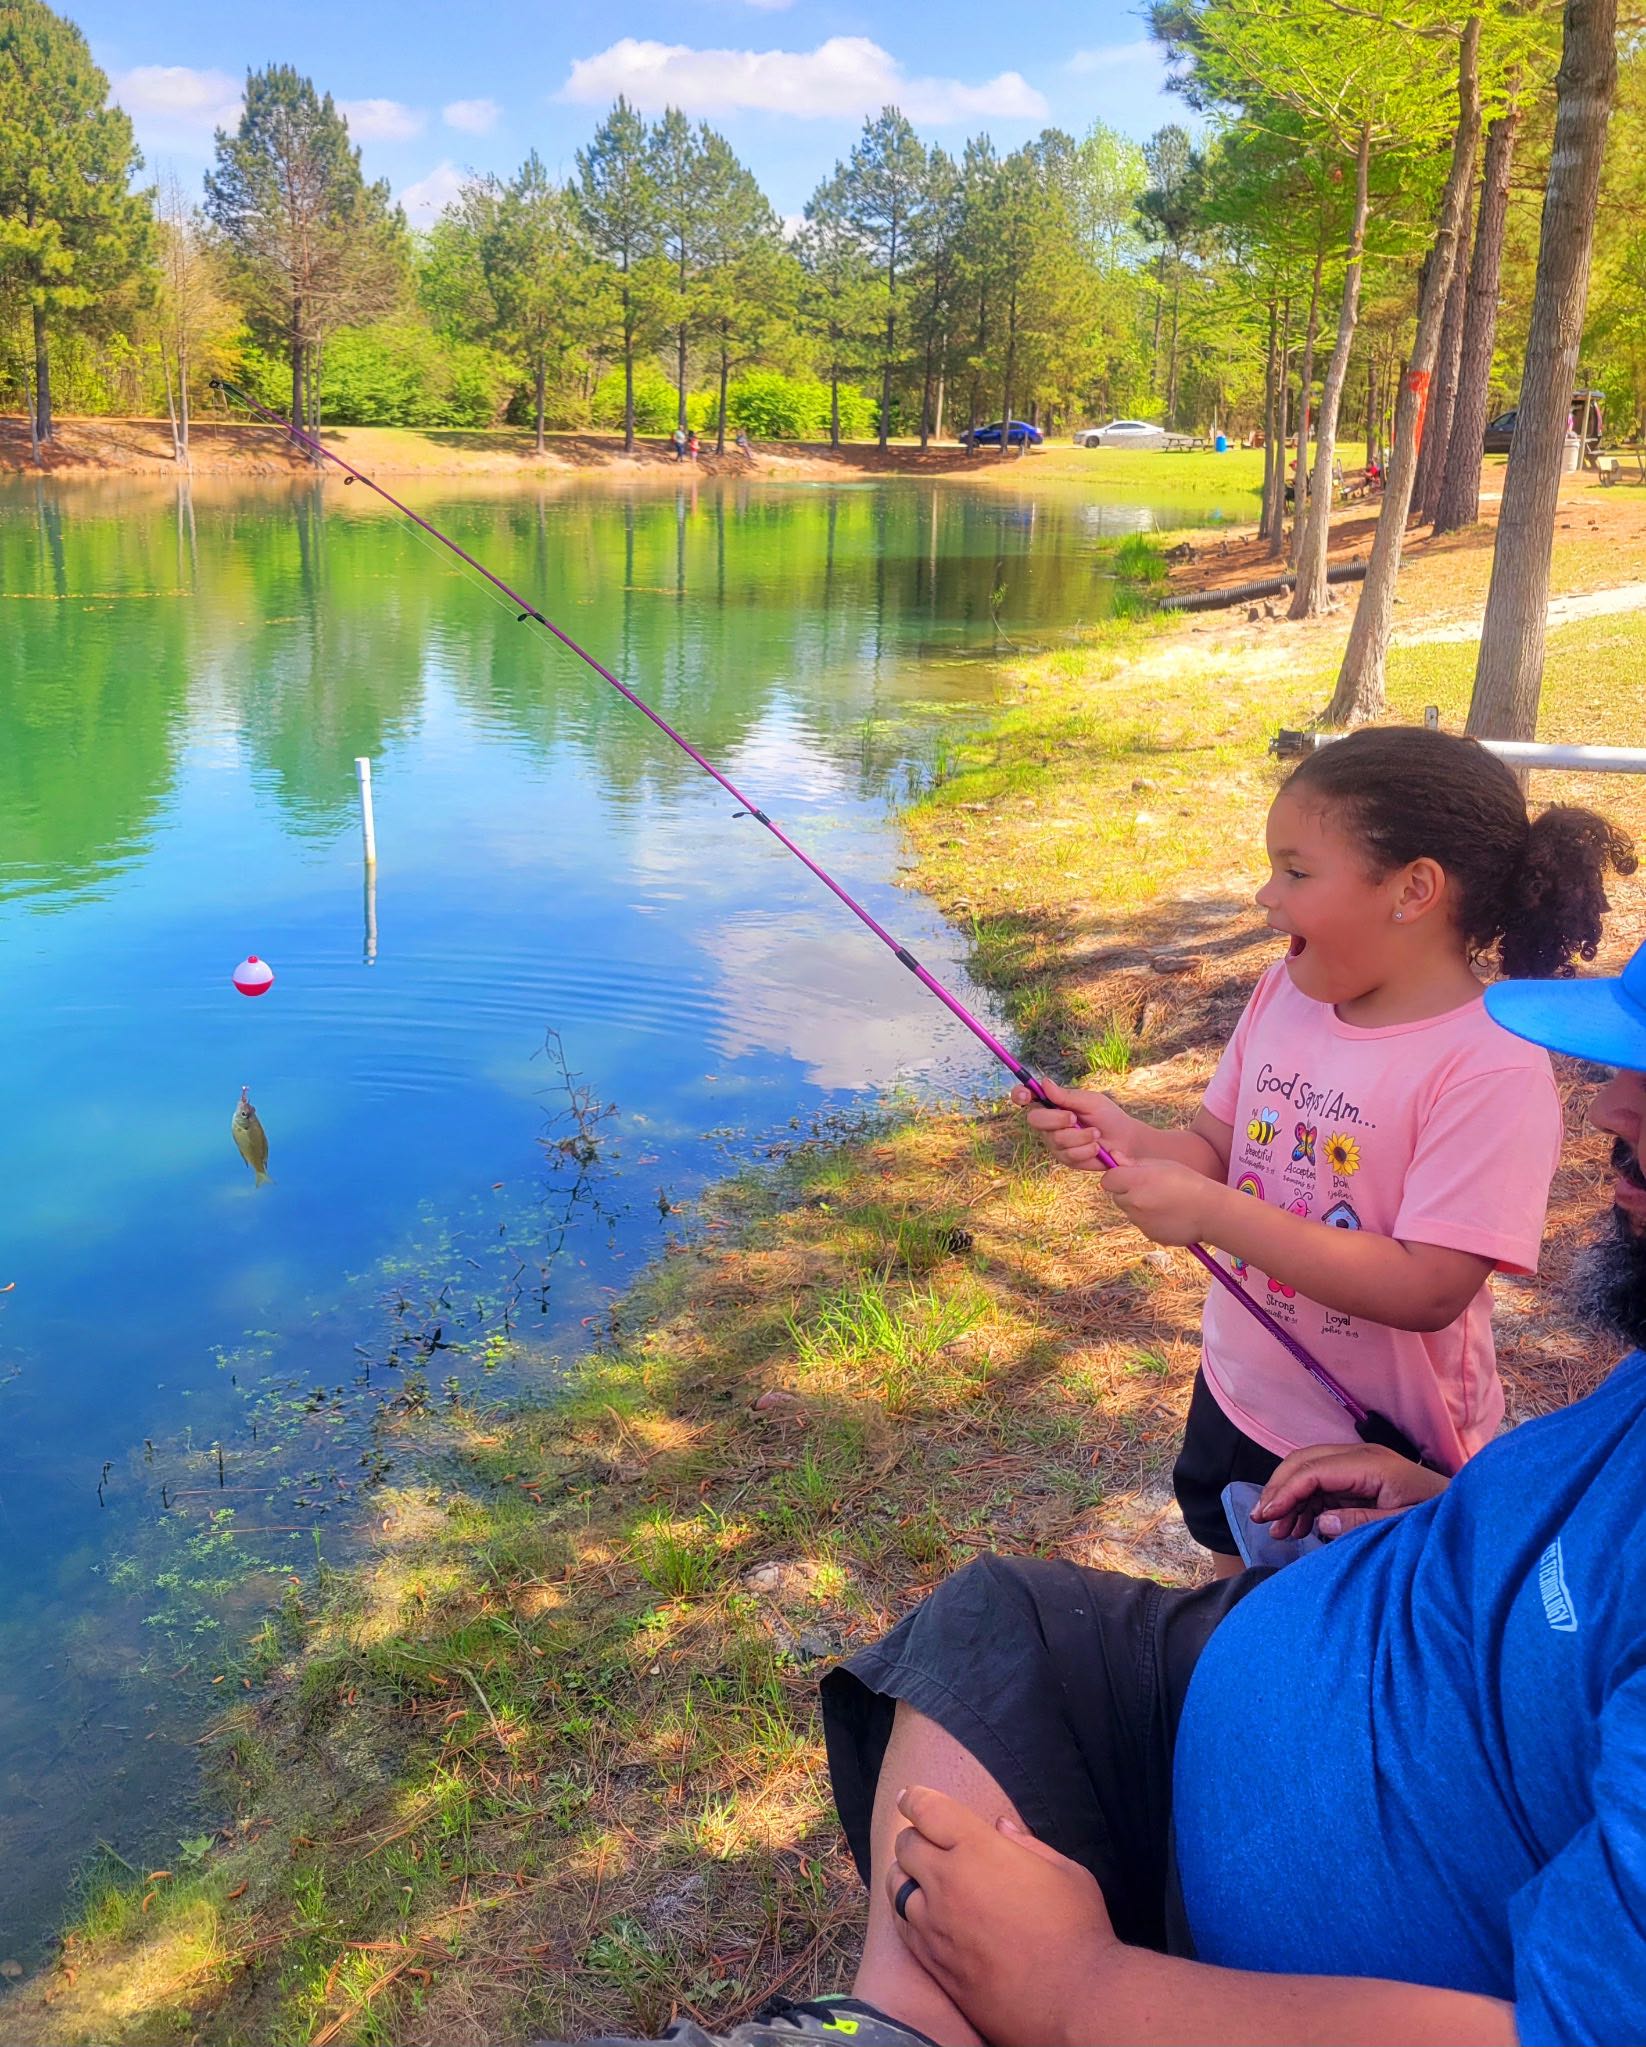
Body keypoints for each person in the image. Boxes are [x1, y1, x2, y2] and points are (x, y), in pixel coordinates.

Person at [580, 937, 1646, 2047]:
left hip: (1298, 1941)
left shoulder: (1475, 1067)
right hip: (1297, 1683)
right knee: (1003, 1620)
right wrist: (1440, 1502)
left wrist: (1075, 1988)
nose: (1608, 1105)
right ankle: (895, 2026)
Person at [1013, 727, 1634, 1572]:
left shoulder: (1490, 1063)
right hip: (1238, 1392)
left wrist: (1214, 1214)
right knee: (1231, 1603)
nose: (1266, 896)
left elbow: (1429, 1286)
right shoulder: (1283, 992)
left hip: (1379, 1453)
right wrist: (1129, 1138)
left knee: (1332, 1636)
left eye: (1297, 872)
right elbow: (1214, 1151)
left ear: (1412, 889)